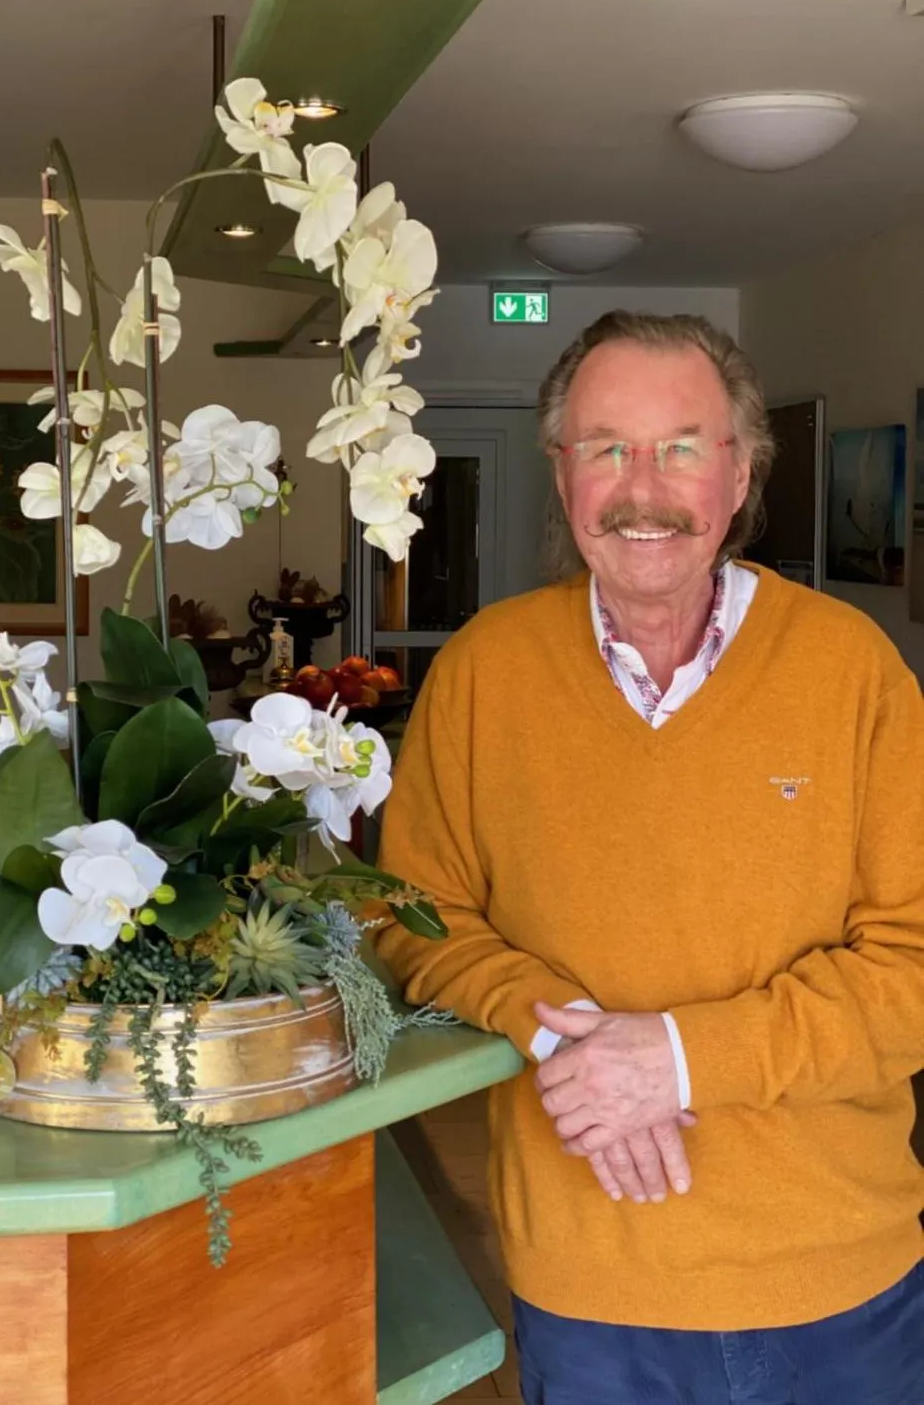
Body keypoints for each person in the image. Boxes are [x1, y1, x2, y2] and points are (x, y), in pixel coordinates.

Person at [375, 311, 924, 1405]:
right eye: (606, 447)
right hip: (590, 1287)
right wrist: (557, 1028)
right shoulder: (485, 673)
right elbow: (410, 915)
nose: (644, 487)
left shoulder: (854, 671)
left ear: (739, 473)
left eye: (681, 446)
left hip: (841, 1285)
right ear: (561, 470)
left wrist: (674, 1061)